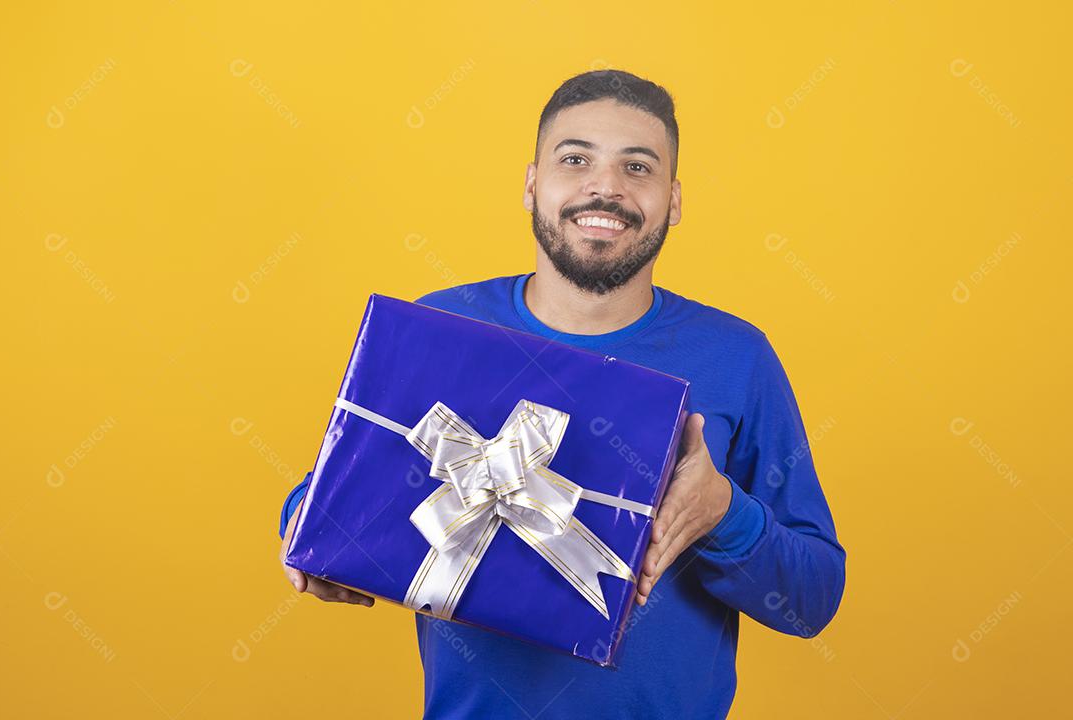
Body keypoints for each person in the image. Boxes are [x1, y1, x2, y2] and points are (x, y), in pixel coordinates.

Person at [278, 69, 846, 720]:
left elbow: (813, 600)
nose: (605, 186)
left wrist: (725, 515)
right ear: (531, 184)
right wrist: (304, 528)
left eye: (638, 167)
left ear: (675, 199)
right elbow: (337, 487)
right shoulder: (440, 330)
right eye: (575, 159)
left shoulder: (736, 358)